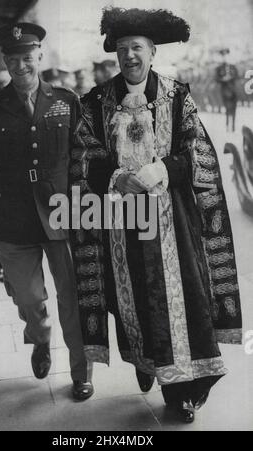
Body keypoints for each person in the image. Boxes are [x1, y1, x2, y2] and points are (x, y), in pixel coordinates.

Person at [69, 7, 242, 423]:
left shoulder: (178, 95)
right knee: (134, 302)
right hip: (122, 225)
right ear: (115, 54)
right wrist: (115, 176)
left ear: (152, 53)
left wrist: (164, 168)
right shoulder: (96, 102)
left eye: (138, 48)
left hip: (174, 222)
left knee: (185, 298)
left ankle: (183, 390)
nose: (130, 56)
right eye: (124, 49)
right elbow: (82, 157)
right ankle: (151, 366)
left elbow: (196, 151)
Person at [0, 23, 93, 400]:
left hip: (63, 214)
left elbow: (83, 157)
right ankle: (39, 337)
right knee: (28, 298)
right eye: (13, 58)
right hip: (12, 219)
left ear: (40, 56)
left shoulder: (66, 99)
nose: (20, 65)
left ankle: (80, 373)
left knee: (73, 299)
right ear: (6, 61)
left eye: (27, 57)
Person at [215, 48, 239, 132]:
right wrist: (223, 79)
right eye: (223, 56)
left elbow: (237, 76)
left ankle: (233, 126)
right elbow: (216, 78)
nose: (225, 57)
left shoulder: (233, 67)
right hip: (224, 90)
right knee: (227, 108)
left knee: (234, 108)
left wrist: (230, 77)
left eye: (226, 55)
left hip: (233, 90)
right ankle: (227, 125)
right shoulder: (219, 68)